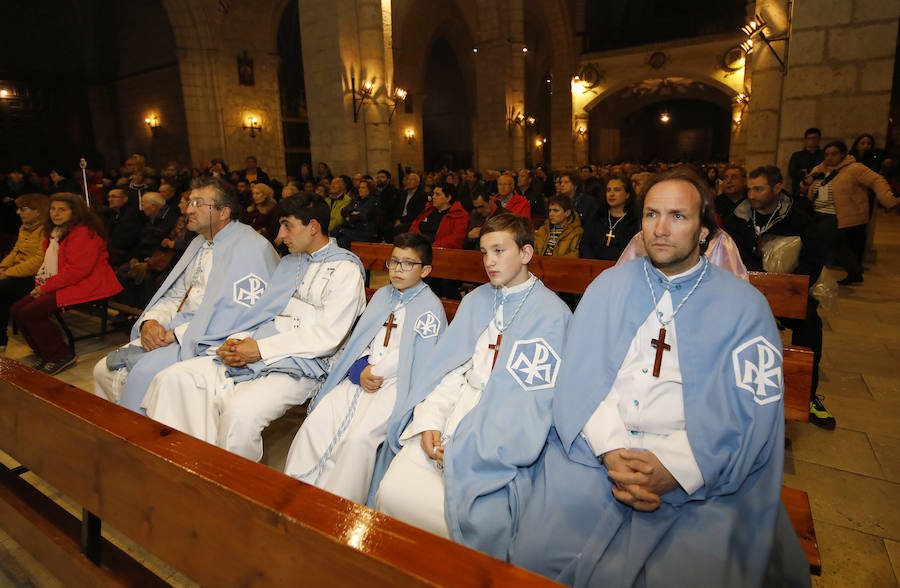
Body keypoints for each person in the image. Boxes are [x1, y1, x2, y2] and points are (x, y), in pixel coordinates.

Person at [509, 166, 808, 586]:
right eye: (651, 215)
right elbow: (576, 377)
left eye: (678, 216)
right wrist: (611, 450)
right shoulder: (608, 287)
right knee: (535, 556)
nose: (661, 229)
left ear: (705, 230)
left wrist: (676, 467)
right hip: (597, 457)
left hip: (700, 469)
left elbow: (750, 409)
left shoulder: (744, 306)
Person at [372, 213, 571, 560]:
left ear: (525, 253)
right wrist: (431, 420)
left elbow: (532, 402)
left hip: (502, 427)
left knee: (474, 521)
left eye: (499, 250)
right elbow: (448, 371)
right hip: (454, 409)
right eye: (483, 252)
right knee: (393, 492)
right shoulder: (476, 300)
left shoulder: (551, 313)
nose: (490, 262)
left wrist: (472, 447)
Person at [143, 193, 367, 462]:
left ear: (313, 226)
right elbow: (261, 313)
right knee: (173, 378)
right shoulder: (289, 263)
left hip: (305, 363)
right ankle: (186, 462)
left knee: (239, 412)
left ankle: (236, 484)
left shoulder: (345, 269)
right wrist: (236, 341)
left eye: (287, 226)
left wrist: (259, 349)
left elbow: (327, 337)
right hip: (261, 345)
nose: (280, 236)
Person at [92, 176, 280, 411]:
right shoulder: (201, 242)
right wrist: (152, 321)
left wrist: (176, 335)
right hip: (180, 328)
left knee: (155, 379)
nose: (188, 210)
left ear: (223, 212)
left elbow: (239, 316)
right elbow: (177, 295)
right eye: (188, 202)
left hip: (210, 339)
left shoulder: (251, 248)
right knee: (102, 370)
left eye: (197, 204)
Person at [284, 232, 446, 502]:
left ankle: (339, 502)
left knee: (358, 439)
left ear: (425, 270)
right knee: (319, 419)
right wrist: (359, 369)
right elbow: (361, 340)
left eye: (408, 264)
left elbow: (418, 359)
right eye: (394, 262)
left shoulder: (430, 308)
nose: (397, 269)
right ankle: (295, 487)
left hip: (396, 386)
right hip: (363, 376)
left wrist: (377, 372)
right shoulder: (383, 296)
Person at [724, 165, 831, 428]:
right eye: (749, 188)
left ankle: (806, 395)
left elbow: (814, 258)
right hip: (747, 291)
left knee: (809, 324)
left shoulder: (799, 216)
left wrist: (787, 288)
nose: (752, 194)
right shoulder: (738, 216)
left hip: (790, 291)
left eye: (758, 188)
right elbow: (731, 254)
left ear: (777, 188)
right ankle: (735, 393)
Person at [11, 193, 122, 375]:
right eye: (53, 209)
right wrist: (43, 285)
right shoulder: (56, 232)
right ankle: (44, 352)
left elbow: (77, 271)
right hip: (64, 283)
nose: (56, 213)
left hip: (88, 285)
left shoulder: (83, 233)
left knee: (30, 313)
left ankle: (61, 355)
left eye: (62, 209)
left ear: (75, 212)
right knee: (16, 310)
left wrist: (45, 288)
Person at [802, 140, 898, 284]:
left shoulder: (854, 168)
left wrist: (888, 199)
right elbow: (803, 188)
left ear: (843, 154)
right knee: (838, 246)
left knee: (817, 244)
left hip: (838, 215)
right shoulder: (820, 169)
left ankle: (809, 279)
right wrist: (807, 181)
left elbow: (876, 180)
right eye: (827, 154)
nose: (829, 157)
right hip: (818, 213)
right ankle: (855, 273)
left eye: (834, 154)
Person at [0, 194, 48, 353]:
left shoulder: (45, 230)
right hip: (19, 274)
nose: (18, 213)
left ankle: (1, 340)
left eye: (23, 209)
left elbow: (38, 261)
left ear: (38, 211)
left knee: (2, 288)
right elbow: (15, 252)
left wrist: (8, 273)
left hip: (35, 279)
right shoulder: (25, 227)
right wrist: (2, 268)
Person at [580, 175, 639, 260]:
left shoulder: (634, 220)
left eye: (616, 190)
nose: (611, 194)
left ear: (627, 194)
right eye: (608, 190)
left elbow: (635, 251)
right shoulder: (598, 217)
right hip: (594, 267)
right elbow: (585, 245)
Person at [410, 183, 468, 248]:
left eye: (437, 195)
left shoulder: (459, 214)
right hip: (419, 246)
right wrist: (416, 241)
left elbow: (456, 238)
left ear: (448, 198)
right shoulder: (428, 209)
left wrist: (431, 247)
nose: (433, 197)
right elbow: (415, 225)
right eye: (433, 194)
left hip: (440, 249)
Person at [333, 178, 379, 249]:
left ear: (370, 189)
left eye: (363, 188)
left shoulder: (373, 202)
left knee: (342, 241)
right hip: (351, 228)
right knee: (333, 233)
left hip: (363, 230)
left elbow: (363, 216)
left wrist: (350, 216)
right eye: (359, 187)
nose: (360, 189)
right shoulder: (356, 200)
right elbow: (343, 211)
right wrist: (352, 213)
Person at [788, 128, 824, 196]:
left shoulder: (824, 155)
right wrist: (806, 175)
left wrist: (806, 172)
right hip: (799, 192)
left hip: (819, 192)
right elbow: (792, 172)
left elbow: (824, 171)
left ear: (819, 139)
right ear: (805, 140)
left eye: (815, 138)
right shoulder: (797, 156)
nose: (812, 140)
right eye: (810, 138)